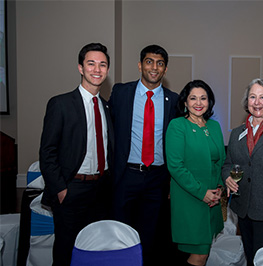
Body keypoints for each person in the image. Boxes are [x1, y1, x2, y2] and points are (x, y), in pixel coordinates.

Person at [39, 43, 114, 266]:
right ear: (81, 68)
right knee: (66, 250)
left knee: (94, 250)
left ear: (107, 70)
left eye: (102, 65)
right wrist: (61, 189)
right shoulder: (60, 104)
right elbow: (47, 152)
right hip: (72, 190)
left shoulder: (106, 107)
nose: (97, 69)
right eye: (91, 64)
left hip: (100, 191)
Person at [109, 44, 179, 265]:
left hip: (156, 178)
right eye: (149, 62)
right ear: (140, 65)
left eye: (160, 63)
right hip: (126, 174)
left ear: (165, 69)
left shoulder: (174, 100)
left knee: (150, 235)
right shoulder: (120, 93)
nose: (154, 67)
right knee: (120, 231)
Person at [222, 78, 263, 266]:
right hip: (243, 210)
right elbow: (228, 164)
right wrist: (227, 177)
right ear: (247, 101)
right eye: (252, 97)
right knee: (250, 258)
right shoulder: (237, 133)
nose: (257, 102)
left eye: (262, 97)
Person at [165, 80, 225, 266]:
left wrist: (219, 188)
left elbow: (220, 162)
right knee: (199, 255)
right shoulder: (177, 126)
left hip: (212, 200)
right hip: (189, 199)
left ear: (209, 102)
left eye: (203, 98)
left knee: (204, 254)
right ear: (185, 102)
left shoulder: (214, 127)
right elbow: (176, 166)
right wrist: (202, 193)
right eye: (193, 98)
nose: (198, 103)